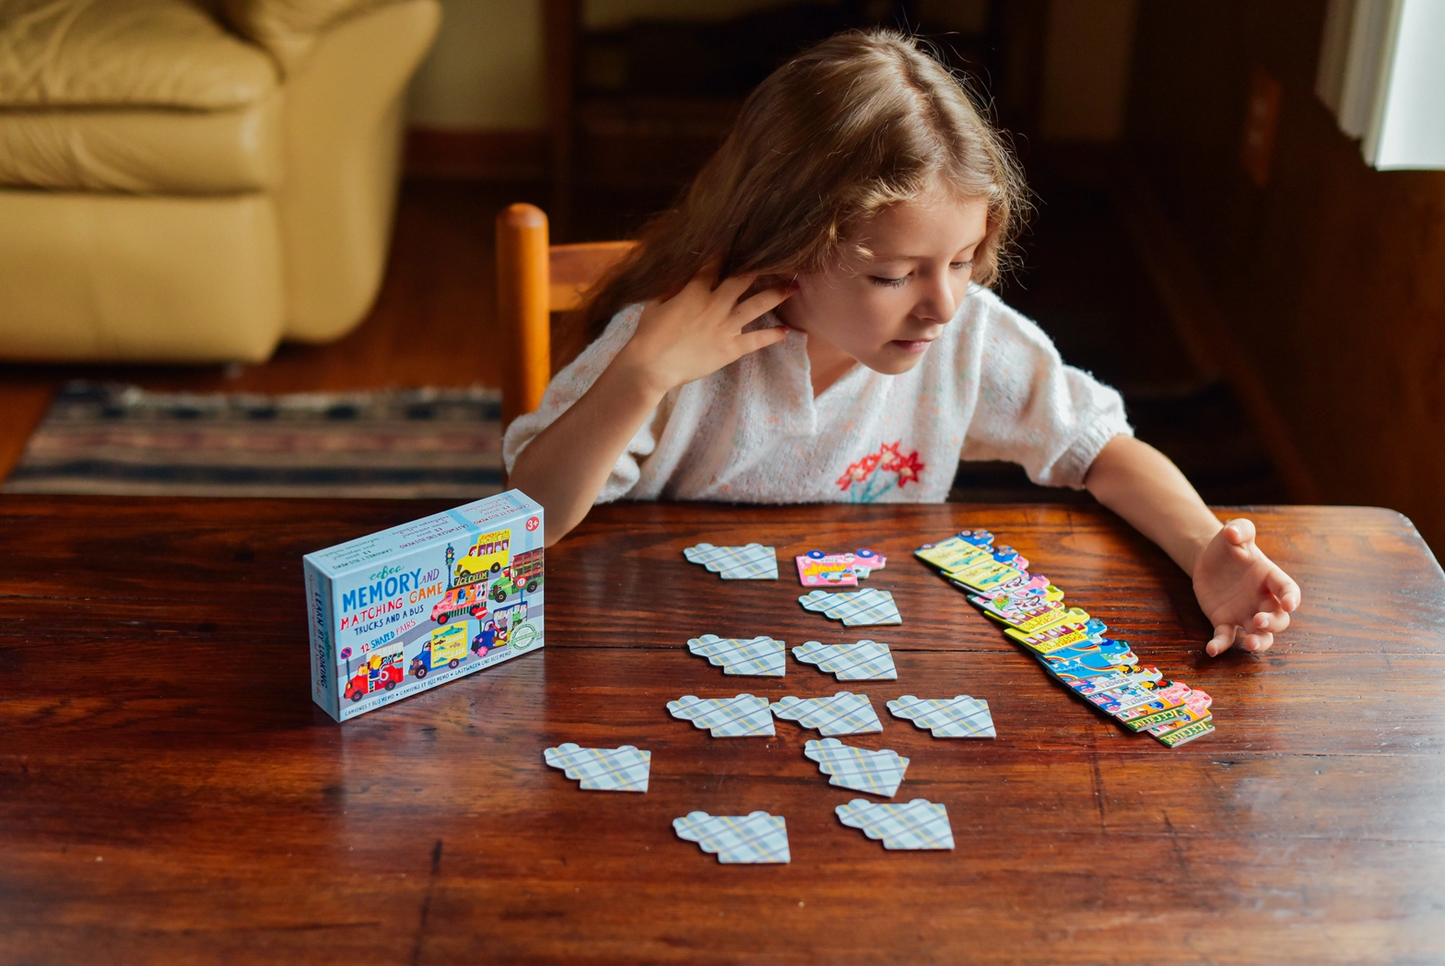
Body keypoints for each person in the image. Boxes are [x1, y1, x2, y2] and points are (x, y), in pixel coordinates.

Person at [505, 29, 1299, 658]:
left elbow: (1099, 447)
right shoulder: (671, 345)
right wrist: (641, 376)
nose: (943, 305)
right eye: (893, 275)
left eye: (961, 262)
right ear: (782, 250)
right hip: (660, 651)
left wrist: (1202, 550)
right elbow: (530, 519)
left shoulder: (962, 337)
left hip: (865, 650)